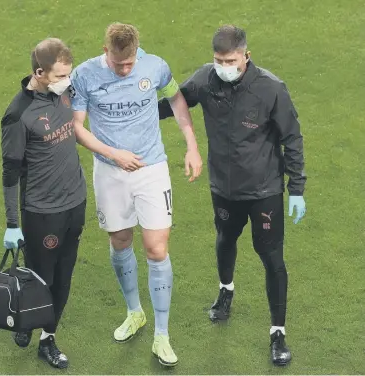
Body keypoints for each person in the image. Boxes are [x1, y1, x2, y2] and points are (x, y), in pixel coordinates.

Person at [158, 24, 307, 366]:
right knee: (225, 238)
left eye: (229, 60)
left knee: (272, 258)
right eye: (217, 59)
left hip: (264, 190)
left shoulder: (271, 89)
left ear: (246, 56)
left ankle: (277, 332)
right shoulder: (205, 80)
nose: (223, 66)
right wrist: (132, 112)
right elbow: (173, 103)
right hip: (223, 189)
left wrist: (296, 188)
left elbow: (292, 139)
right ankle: (226, 290)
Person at [69, 22, 203, 367]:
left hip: (152, 169)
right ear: (105, 51)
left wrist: (192, 146)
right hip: (110, 172)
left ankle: (162, 335)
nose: (124, 70)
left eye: (129, 64)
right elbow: (77, 127)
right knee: (120, 242)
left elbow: (176, 98)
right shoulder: (84, 76)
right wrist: (115, 155)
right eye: (118, 64)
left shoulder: (155, 66)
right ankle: (134, 312)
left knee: (157, 249)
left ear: (137, 52)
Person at [0, 38, 87, 369]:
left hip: (75, 203)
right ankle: (23, 318)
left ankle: (47, 340)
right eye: (61, 74)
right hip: (42, 212)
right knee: (41, 278)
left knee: (64, 278)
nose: (68, 80)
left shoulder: (64, 90)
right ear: (39, 72)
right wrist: (12, 223)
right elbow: (10, 173)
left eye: (69, 73)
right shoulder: (18, 115)